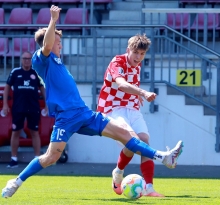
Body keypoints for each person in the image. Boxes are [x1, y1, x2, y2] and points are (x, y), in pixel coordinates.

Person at [1, 5, 183, 198]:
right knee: (51, 157)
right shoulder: (41, 60)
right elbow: (46, 46)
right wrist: (53, 20)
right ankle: (16, 181)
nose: (60, 45)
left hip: (85, 114)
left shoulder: (58, 62)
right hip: (66, 118)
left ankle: (163, 157)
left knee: (125, 134)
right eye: (58, 42)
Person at [97, 34, 175, 197]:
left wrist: (136, 95)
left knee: (144, 141)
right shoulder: (117, 62)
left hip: (131, 108)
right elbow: (122, 84)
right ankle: (119, 173)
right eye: (136, 53)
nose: (139, 57)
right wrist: (142, 92)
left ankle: (149, 188)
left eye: (142, 54)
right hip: (112, 108)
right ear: (128, 50)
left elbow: (130, 85)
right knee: (134, 141)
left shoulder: (137, 66)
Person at [2, 51, 46, 168]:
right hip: (18, 108)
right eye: (24, 58)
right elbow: (7, 88)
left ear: (31, 60)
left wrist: (47, 105)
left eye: (29, 58)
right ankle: (14, 159)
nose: (27, 60)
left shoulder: (36, 73)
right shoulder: (15, 72)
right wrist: (5, 104)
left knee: (34, 132)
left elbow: (43, 89)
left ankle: (37, 160)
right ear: (21, 60)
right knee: (15, 132)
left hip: (33, 108)